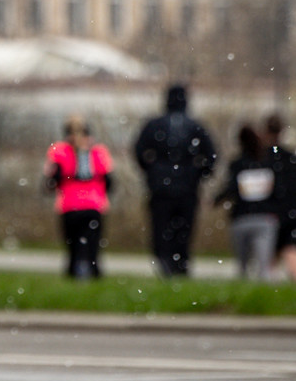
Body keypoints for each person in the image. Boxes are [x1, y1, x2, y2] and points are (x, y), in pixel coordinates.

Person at [132, 85, 218, 277]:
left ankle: (165, 261)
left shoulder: (154, 125)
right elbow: (211, 155)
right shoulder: (195, 126)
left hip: (161, 187)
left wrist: (152, 171)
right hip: (187, 187)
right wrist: (198, 173)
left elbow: (138, 151)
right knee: (183, 229)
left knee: (161, 227)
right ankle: (180, 263)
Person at [43, 117, 115, 280]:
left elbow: (52, 180)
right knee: (93, 244)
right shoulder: (99, 152)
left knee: (73, 245)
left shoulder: (59, 152)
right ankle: (94, 272)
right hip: (94, 204)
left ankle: (73, 272)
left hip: (70, 205)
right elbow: (109, 181)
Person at [212, 126, 280, 280]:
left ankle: (244, 285)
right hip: (265, 218)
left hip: (241, 218)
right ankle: (264, 287)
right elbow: (278, 190)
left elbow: (230, 189)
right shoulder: (268, 163)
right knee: (263, 264)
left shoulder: (237, 164)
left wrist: (216, 200)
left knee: (243, 265)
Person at [264, 114, 296, 284]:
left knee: (268, 267)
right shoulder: (292, 158)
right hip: (293, 214)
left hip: (270, 215)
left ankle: (270, 294)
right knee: (295, 262)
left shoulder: (262, 158)